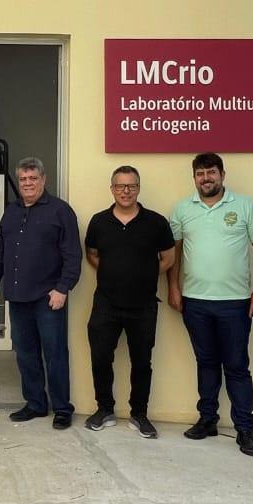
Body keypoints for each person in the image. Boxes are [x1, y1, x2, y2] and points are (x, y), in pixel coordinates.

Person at [167, 153, 253, 457]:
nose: (206, 178)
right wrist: (173, 286)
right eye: (200, 174)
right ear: (194, 177)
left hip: (235, 303)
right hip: (195, 302)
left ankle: (245, 428)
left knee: (236, 366)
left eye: (211, 172)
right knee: (206, 363)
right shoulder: (183, 209)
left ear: (223, 174)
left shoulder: (246, 206)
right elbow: (174, 250)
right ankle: (207, 419)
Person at [0, 157, 81, 430]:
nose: (28, 183)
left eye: (33, 178)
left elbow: (73, 255)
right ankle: (36, 404)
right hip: (18, 296)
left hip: (48, 298)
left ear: (43, 179)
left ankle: (62, 408)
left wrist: (63, 288)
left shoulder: (61, 211)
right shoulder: (11, 211)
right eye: (23, 179)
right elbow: (0, 251)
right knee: (25, 353)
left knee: (55, 354)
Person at [84, 165, 175, 439]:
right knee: (100, 358)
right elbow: (92, 253)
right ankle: (104, 409)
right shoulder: (99, 221)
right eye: (120, 186)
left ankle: (139, 414)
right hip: (106, 304)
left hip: (144, 305)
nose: (126, 191)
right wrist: (116, 272)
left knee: (142, 362)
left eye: (131, 186)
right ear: (112, 189)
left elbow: (168, 259)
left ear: (138, 188)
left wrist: (144, 274)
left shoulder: (156, 222)